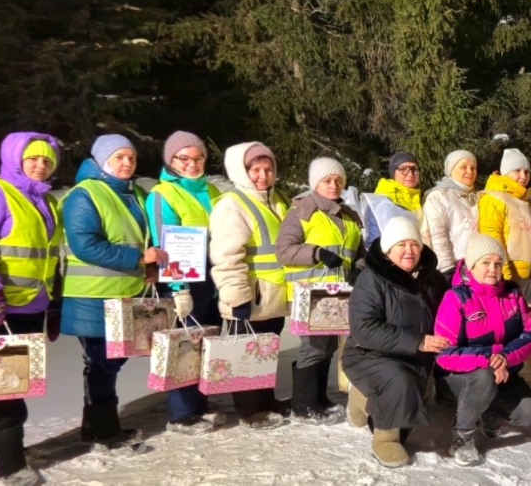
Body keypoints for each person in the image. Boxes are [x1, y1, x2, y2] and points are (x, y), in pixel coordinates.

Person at [60, 134, 167, 456]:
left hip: (126, 293)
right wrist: (137, 259)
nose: (126, 163)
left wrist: (150, 268)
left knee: (110, 363)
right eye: (119, 157)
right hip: (92, 296)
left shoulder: (134, 193)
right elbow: (85, 244)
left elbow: (141, 238)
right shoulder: (85, 194)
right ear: (101, 160)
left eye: (131, 158)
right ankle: (107, 434)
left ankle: (94, 427)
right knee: (101, 363)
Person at [341, 217, 450, 468]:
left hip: (415, 354)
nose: (409, 251)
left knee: (408, 401)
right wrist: (419, 341)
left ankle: (360, 396)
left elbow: (447, 313)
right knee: (400, 381)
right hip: (369, 353)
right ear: (388, 251)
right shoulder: (372, 278)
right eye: (401, 245)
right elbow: (364, 329)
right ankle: (385, 439)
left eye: (414, 244)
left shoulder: (432, 278)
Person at [0, 132, 62, 484]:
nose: (40, 165)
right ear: (15, 159)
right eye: (33, 158)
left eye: (47, 160)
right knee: (7, 388)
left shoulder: (47, 202)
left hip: (31, 308)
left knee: (9, 384)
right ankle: (11, 466)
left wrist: (52, 307)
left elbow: (49, 260)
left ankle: (1, 447)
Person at [434, 233, 531, 466]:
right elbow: (444, 354)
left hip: (503, 369)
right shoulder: (456, 297)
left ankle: (486, 409)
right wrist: (490, 359)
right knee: (483, 378)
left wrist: (504, 357)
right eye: (485, 262)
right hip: (459, 377)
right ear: (472, 265)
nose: (493, 269)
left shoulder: (512, 293)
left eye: (498, 263)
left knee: (529, 412)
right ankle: (462, 435)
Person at [146, 131, 226, 436]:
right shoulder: (162, 194)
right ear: (171, 160)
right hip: (184, 279)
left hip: (214, 278)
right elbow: (163, 241)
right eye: (184, 159)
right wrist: (179, 289)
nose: (192, 164)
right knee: (184, 345)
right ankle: (180, 414)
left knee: (206, 342)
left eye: (198, 158)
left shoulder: (214, 193)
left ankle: (199, 405)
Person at [276, 157, 366, 425]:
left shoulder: (348, 215)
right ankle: (303, 405)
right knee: (312, 347)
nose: (334, 185)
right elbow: (283, 250)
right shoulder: (301, 212)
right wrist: (316, 253)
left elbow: (358, 252)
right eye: (327, 180)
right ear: (315, 183)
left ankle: (318, 399)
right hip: (310, 294)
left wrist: (359, 267)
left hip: (338, 294)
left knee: (327, 348)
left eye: (338, 180)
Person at [209, 142, 291, 429]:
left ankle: (266, 401)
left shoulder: (278, 198)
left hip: (275, 294)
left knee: (266, 350)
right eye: (255, 169)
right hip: (250, 295)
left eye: (268, 169)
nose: (263, 175)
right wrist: (235, 297)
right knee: (246, 352)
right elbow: (226, 256)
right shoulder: (232, 204)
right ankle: (249, 411)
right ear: (241, 171)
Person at [477, 149, 531, 302]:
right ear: (505, 173)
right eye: (517, 171)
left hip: (529, 276)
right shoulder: (494, 198)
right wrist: (501, 272)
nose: (523, 176)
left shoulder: (526, 202)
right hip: (508, 276)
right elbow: (492, 238)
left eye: (527, 172)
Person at [421, 150, 479, 277]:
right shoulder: (439, 195)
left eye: (473, 167)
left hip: (477, 267)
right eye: (464, 167)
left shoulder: (477, 196)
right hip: (454, 267)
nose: (470, 171)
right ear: (451, 170)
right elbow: (438, 235)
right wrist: (447, 269)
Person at [362, 151, 423, 246]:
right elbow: (374, 242)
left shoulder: (420, 199)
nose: (410, 174)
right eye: (403, 169)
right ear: (393, 172)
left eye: (414, 169)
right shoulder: (382, 201)